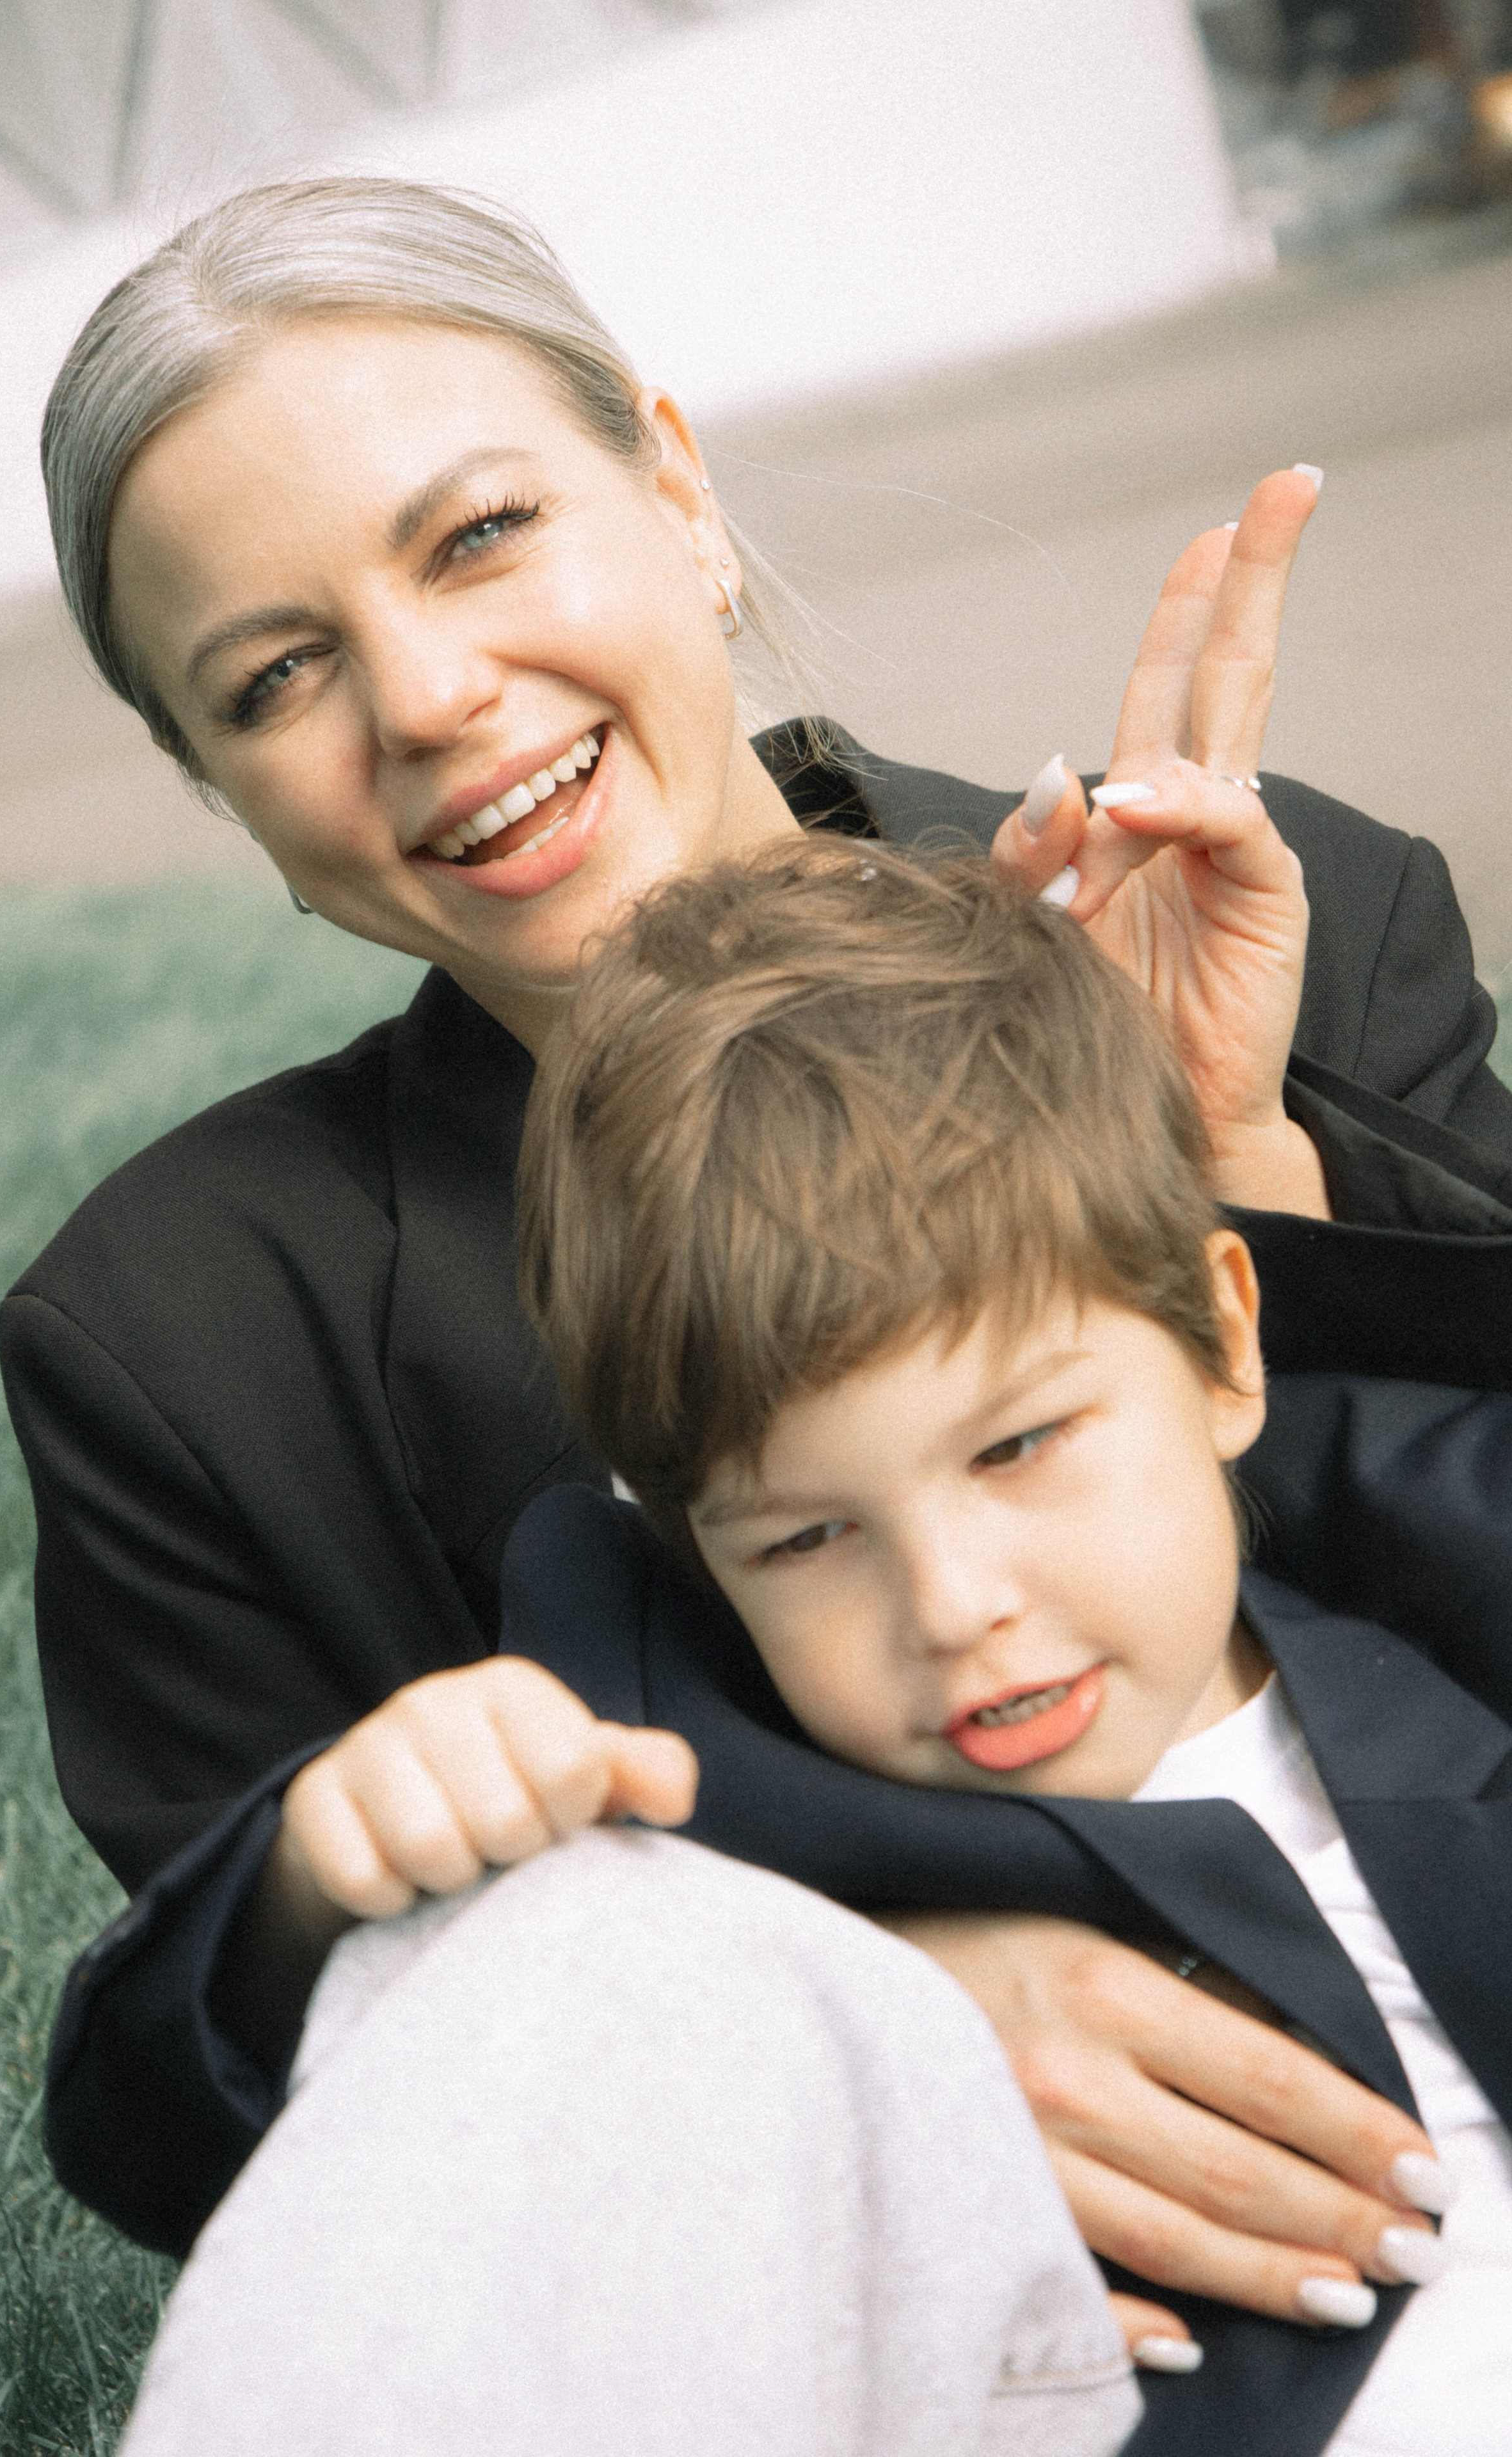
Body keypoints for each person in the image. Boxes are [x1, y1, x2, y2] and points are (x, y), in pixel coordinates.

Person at [4, 175, 1512, 2330]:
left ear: (678, 492)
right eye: (274, 676)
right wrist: (853, 1999)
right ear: (216, 784)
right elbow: (225, 2114)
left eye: (480, 535)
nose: (429, 695)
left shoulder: (1295, 923)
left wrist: (1231, 1170)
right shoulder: (188, 1339)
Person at [503, 838, 1505, 2456]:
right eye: (805, 1537)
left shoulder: (1444, 1615)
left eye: (1017, 1446)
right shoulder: (701, 1814)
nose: (950, 1604)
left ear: (1225, 1337)